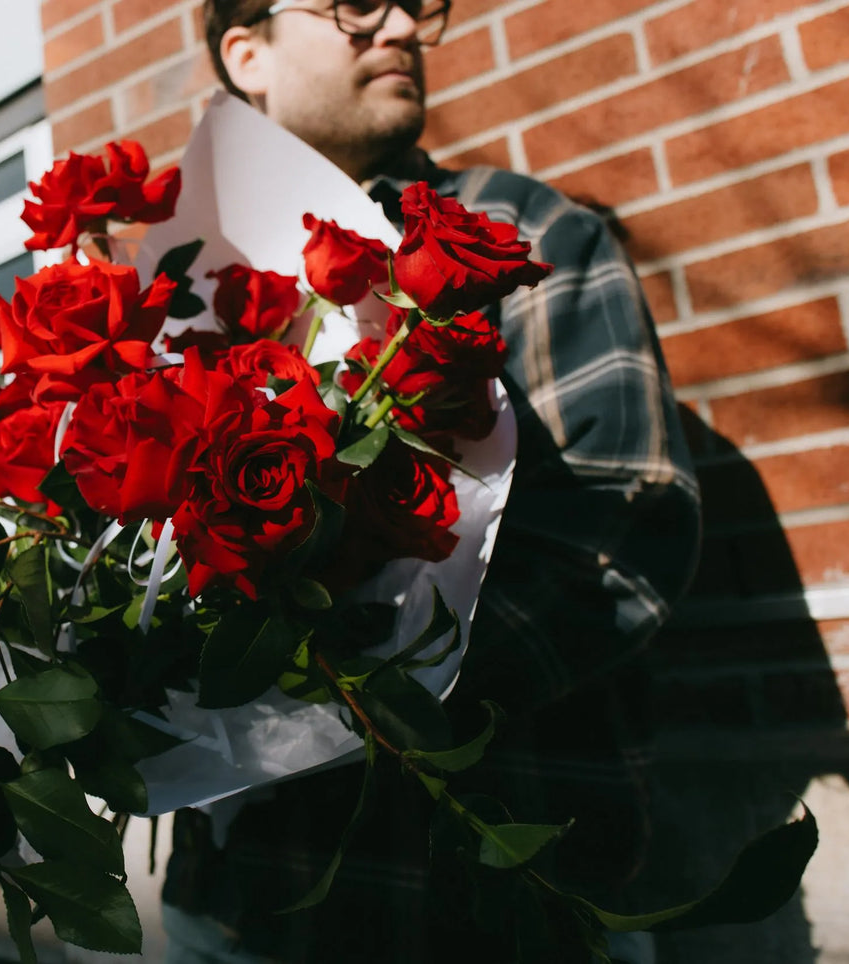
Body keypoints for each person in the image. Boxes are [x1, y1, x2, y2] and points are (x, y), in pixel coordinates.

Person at [159, 2, 703, 962]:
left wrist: (350, 695)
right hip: (239, 906)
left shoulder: (521, 237)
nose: (402, 24)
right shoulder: (176, 286)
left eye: (417, 3)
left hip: (493, 906)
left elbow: (626, 532)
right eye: (355, 2)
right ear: (247, 52)